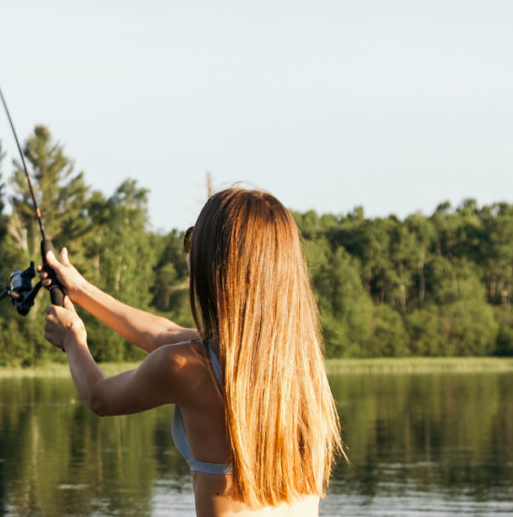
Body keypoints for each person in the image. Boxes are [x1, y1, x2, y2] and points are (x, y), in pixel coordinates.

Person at [41, 188, 342, 517]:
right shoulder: (300, 365)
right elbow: (163, 332)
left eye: (192, 239)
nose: (188, 249)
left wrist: (72, 338)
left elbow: (100, 397)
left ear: (215, 261)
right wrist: (80, 289)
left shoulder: (185, 366)